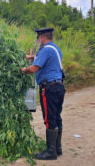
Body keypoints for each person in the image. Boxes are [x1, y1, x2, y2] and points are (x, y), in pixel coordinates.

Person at [21, 28, 65, 160]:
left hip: (49, 89)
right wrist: (32, 57)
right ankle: (57, 148)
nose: (38, 41)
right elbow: (46, 59)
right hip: (59, 87)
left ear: (42, 37)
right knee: (57, 116)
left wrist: (23, 70)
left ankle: (50, 152)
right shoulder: (55, 49)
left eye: (38, 38)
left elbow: (34, 68)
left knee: (49, 118)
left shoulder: (45, 50)